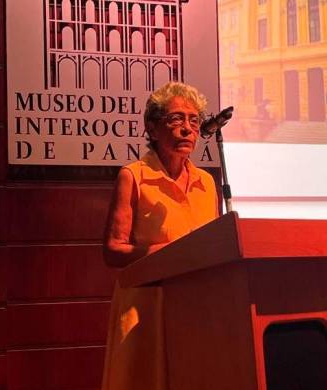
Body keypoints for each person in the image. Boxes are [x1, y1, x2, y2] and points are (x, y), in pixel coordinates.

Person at [101, 82, 219, 390]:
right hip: (146, 310)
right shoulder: (134, 176)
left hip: (196, 308)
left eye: (193, 121)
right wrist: (167, 254)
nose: (187, 129)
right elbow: (113, 250)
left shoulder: (207, 182)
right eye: (176, 119)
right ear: (152, 129)